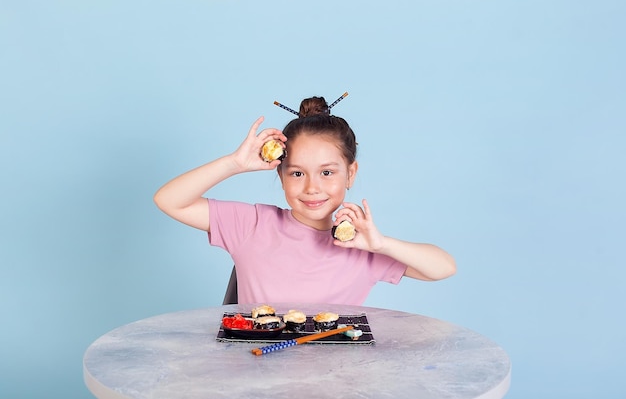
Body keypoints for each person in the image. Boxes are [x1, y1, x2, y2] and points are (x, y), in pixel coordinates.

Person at [153, 114, 456, 305]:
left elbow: (443, 268)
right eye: (297, 173)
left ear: (350, 174)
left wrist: (382, 244)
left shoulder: (362, 246)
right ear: (281, 175)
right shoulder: (253, 225)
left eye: (327, 173)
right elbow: (169, 200)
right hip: (256, 380)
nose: (312, 187)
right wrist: (234, 164)